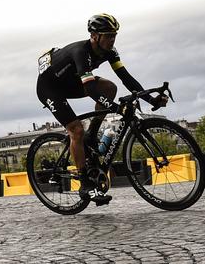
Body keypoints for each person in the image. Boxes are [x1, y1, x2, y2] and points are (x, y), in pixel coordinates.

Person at [36, 13, 168, 205]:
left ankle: (93, 133)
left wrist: (150, 99)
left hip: (72, 82)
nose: (112, 39)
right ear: (95, 36)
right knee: (76, 130)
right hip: (50, 88)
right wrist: (115, 108)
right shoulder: (81, 52)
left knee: (110, 87)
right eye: (108, 35)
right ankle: (84, 184)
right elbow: (89, 89)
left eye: (114, 35)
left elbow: (126, 77)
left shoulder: (110, 52)